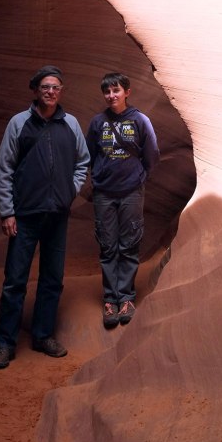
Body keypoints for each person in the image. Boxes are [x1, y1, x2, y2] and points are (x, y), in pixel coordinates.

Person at [0, 65, 89, 369]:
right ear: (35, 90)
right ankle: (5, 344)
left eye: (56, 87)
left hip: (57, 215)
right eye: (45, 87)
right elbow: (5, 168)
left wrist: (69, 191)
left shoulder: (69, 124)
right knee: (15, 281)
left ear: (61, 91)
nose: (51, 92)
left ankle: (43, 335)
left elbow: (82, 162)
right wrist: (7, 210)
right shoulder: (19, 124)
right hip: (25, 215)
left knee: (52, 279)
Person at [86, 72, 160, 329]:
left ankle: (126, 298)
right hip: (104, 193)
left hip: (131, 192)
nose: (111, 96)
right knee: (108, 246)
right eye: (107, 92)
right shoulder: (97, 123)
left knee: (128, 244)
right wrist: (98, 178)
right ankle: (110, 300)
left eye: (116, 90)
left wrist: (139, 177)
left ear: (127, 92)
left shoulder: (140, 120)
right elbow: (90, 154)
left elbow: (151, 153)